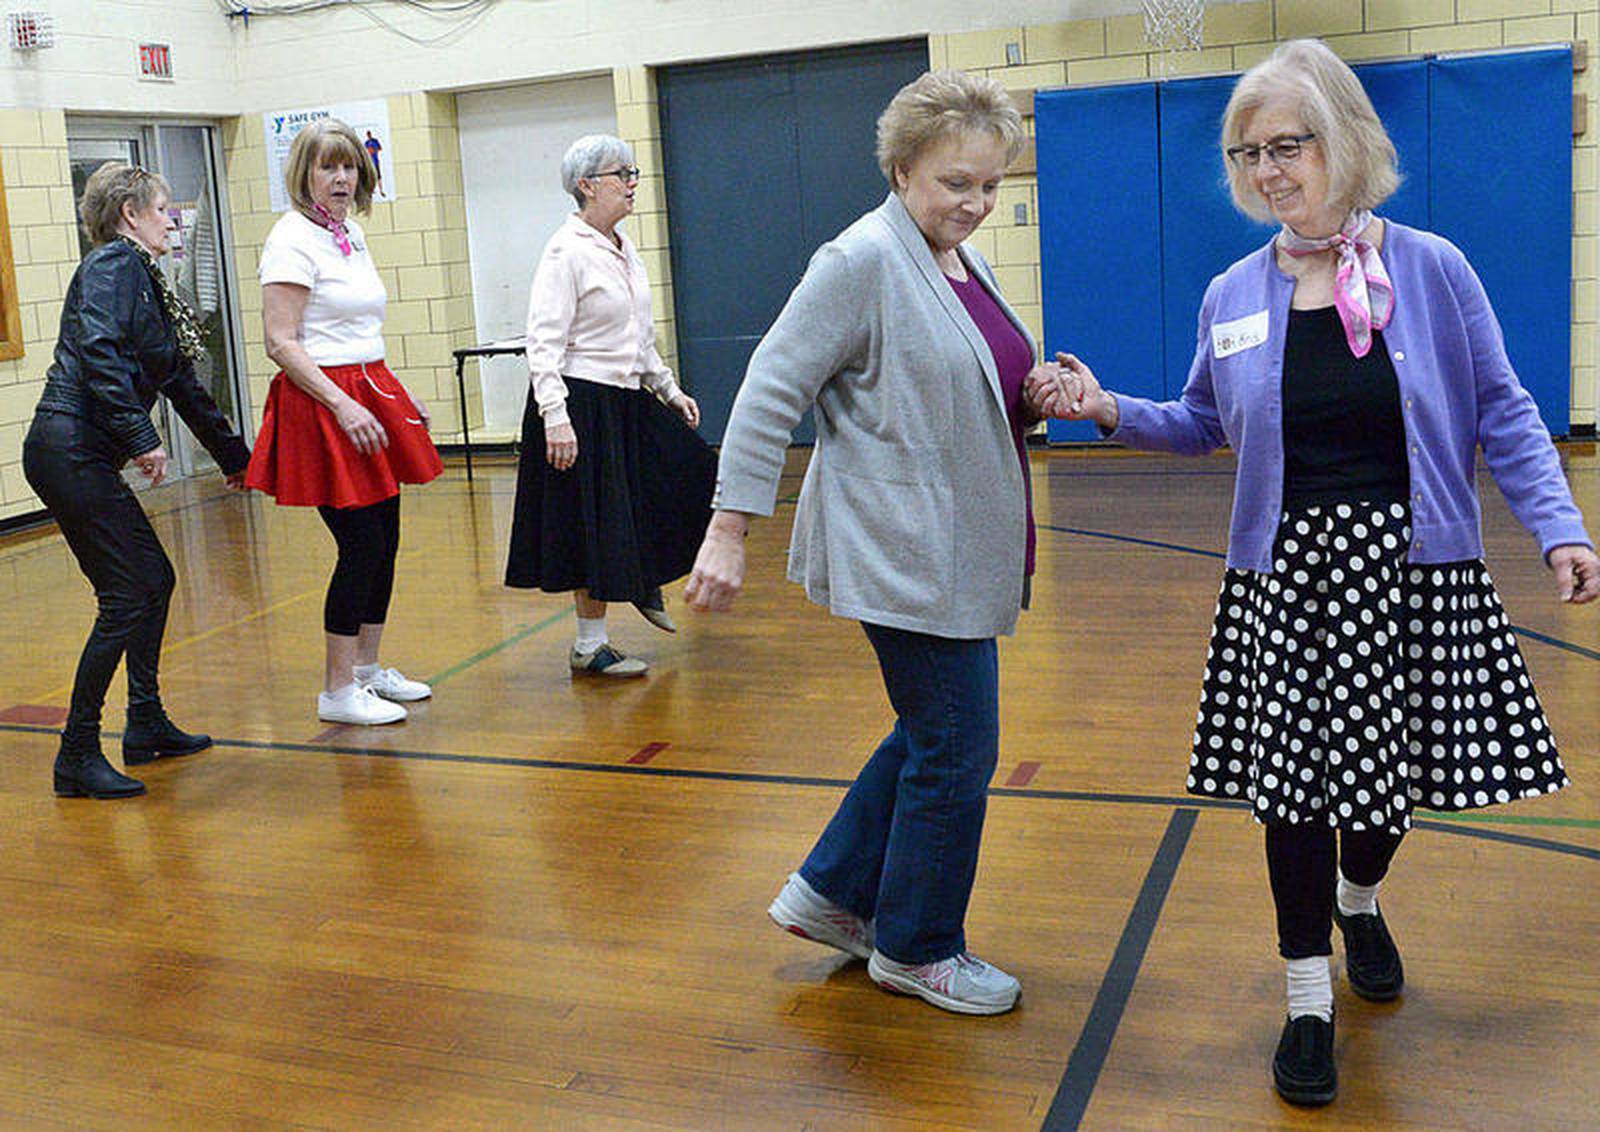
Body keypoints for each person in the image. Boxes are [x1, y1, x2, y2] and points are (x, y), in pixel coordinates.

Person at [1030, 37, 1600, 1104]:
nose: (1265, 171)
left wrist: (1560, 528)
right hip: (1285, 580)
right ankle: (1305, 997)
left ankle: (1360, 893)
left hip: (1415, 572)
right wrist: (1112, 410)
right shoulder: (1230, 292)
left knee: (1392, 794)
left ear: (1343, 137)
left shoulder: (1431, 268)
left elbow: (1507, 413)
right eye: (1246, 153)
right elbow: (1201, 421)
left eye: (1284, 144)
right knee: (1290, 795)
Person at [687, 71, 1038, 1015]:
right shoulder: (861, 259)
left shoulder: (955, 259)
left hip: (958, 543)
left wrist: (1037, 390)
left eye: (989, 185)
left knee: (935, 732)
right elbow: (769, 387)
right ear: (900, 169)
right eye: (954, 183)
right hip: (904, 549)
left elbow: (966, 376)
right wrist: (729, 527)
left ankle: (835, 896)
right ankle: (918, 947)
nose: (973, 203)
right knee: (958, 747)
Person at [23, 162, 251, 799]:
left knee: (154, 580)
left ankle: (145, 722)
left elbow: (178, 379)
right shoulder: (112, 267)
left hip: (82, 454)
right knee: (127, 594)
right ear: (130, 215)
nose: (171, 220)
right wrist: (141, 436)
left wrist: (236, 456)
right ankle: (75, 753)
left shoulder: (145, 279)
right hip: (68, 450)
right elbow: (97, 349)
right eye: (161, 209)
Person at [246, 119, 442, 725]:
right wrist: (343, 403)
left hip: (368, 387)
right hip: (323, 400)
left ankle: (366, 671)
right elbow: (281, 342)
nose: (341, 178)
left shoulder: (350, 232)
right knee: (359, 546)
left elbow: (361, 330)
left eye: (349, 166)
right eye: (328, 167)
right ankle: (335, 692)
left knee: (387, 539)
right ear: (303, 173)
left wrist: (393, 397)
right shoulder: (290, 240)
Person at [506, 133, 715, 678]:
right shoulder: (565, 251)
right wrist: (556, 416)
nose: (631, 184)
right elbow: (543, 343)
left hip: (625, 398)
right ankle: (590, 644)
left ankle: (644, 576)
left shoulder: (624, 247)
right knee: (587, 520)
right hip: (581, 401)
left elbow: (639, 334)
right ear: (587, 186)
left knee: (693, 471)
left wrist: (669, 389)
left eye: (632, 173)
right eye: (621, 174)